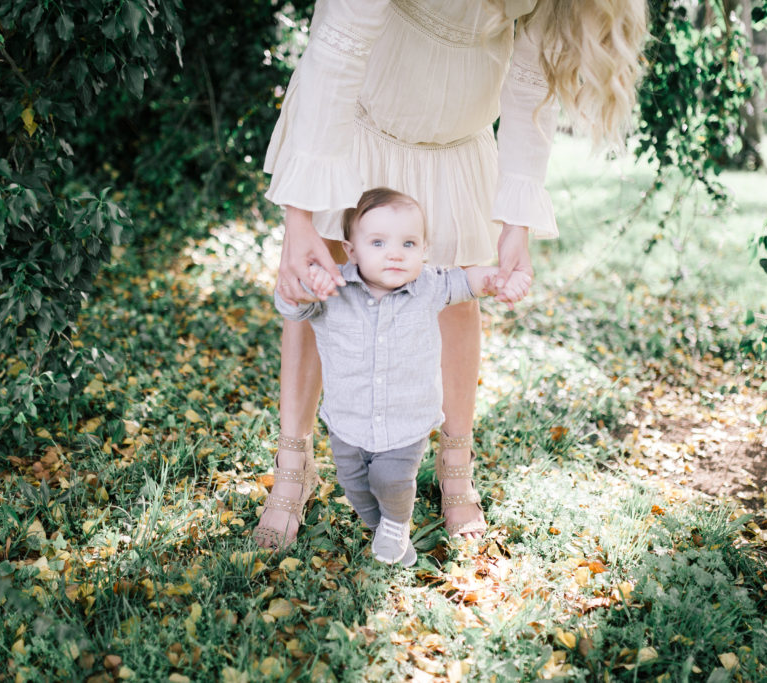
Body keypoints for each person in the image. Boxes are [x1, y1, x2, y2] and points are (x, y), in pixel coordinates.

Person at [253, 0, 649, 549]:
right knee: (319, 289)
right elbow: (337, 48)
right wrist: (299, 217)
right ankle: (293, 465)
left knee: (457, 306)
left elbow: (530, 78)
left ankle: (454, 464)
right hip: (357, 126)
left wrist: (517, 224)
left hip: (454, 150)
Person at [266, 187, 521, 563]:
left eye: (408, 243)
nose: (395, 253)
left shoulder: (429, 286)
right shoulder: (333, 288)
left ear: (423, 249)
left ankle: (397, 523)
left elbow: (467, 281)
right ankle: (381, 529)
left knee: (390, 480)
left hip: (406, 424)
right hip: (347, 423)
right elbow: (291, 308)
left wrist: (497, 280)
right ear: (352, 251)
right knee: (353, 484)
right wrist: (303, 290)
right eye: (379, 242)